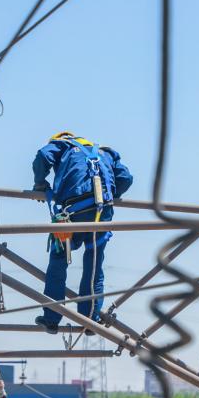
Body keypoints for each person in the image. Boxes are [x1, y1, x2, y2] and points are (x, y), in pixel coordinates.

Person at [31, 131, 133, 333]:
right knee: (94, 266)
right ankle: (89, 319)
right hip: (101, 213)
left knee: (58, 262)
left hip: (74, 214)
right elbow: (126, 178)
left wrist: (40, 184)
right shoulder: (106, 153)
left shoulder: (62, 145)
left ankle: (51, 318)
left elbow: (42, 157)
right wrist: (111, 194)